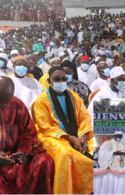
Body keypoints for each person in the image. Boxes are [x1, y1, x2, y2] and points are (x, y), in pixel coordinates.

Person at [32, 66, 93, 194]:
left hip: (77, 134)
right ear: (49, 81)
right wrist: (70, 138)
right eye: (57, 79)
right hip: (51, 136)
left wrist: (83, 136)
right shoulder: (42, 100)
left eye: (64, 78)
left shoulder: (73, 96)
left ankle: (92, 188)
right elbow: (45, 127)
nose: (61, 81)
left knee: (95, 147)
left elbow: (84, 118)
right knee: (64, 152)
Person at [0, 76, 54, 194]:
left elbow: (28, 133)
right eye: (1, 101)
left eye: (7, 102)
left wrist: (22, 152)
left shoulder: (17, 104)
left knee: (45, 161)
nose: (4, 105)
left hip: (14, 156)